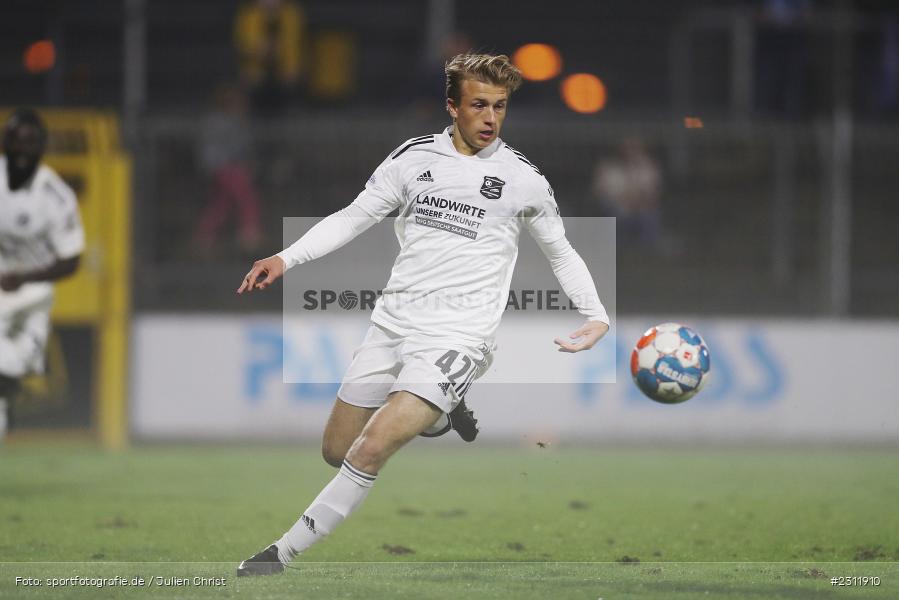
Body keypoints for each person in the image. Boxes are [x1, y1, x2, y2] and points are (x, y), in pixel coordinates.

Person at [234, 53, 610, 576]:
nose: (490, 118)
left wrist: (596, 314)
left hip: (460, 338)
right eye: (479, 105)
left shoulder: (522, 179)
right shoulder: (413, 159)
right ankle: (437, 417)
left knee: (370, 450)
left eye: (500, 107)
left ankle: (280, 553)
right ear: (452, 106)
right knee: (337, 449)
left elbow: (561, 250)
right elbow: (353, 217)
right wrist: (284, 258)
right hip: (392, 325)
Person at [0, 108, 85, 443]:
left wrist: (25, 278)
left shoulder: (54, 195)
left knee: (13, 370)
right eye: (16, 142)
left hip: (31, 299)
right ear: (6, 143)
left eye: (30, 143)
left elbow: (72, 259)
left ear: (41, 147)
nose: (23, 150)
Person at [193, 84, 263, 258]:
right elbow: (231, 146)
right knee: (246, 196)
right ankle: (249, 233)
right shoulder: (219, 121)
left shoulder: (233, 120)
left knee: (222, 204)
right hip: (225, 167)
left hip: (227, 166)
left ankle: (204, 237)